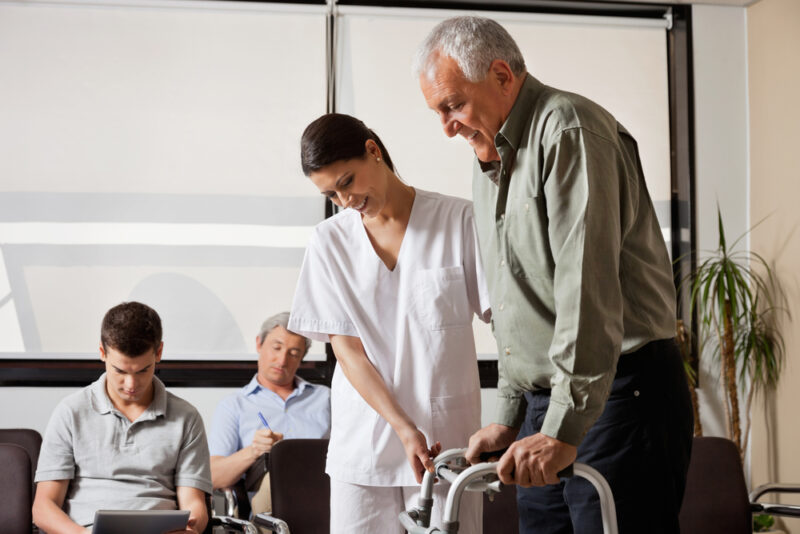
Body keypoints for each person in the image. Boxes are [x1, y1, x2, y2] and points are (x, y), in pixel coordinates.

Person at [415, 16, 693, 534]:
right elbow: (515, 298)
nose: (448, 127)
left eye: (453, 105)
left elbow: (586, 292)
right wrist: (510, 412)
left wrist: (564, 425)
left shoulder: (569, 130)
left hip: (619, 396)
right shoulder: (490, 156)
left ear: (501, 75)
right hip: (555, 400)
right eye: (438, 112)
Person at [288, 113, 491, 534]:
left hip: (446, 442)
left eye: (347, 182)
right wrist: (403, 426)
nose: (345, 201)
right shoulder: (329, 242)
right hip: (365, 440)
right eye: (331, 194)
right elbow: (347, 351)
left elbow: (506, 319)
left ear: (373, 151)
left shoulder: (460, 221)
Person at [32, 301, 212, 534]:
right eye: (120, 371)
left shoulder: (186, 417)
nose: (131, 384)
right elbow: (44, 506)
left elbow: (193, 501)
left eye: (142, 370)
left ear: (159, 353)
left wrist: (192, 527)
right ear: (102, 353)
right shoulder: (70, 412)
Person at [207, 311, 330, 514]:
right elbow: (213, 477)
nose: (282, 360)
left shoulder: (326, 399)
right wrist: (254, 451)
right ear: (259, 344)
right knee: (276, 481)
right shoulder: (234, 405)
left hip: (321, 490)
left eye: (293, 353)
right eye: (276, 348)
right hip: (269, 499)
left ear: (302, 358)